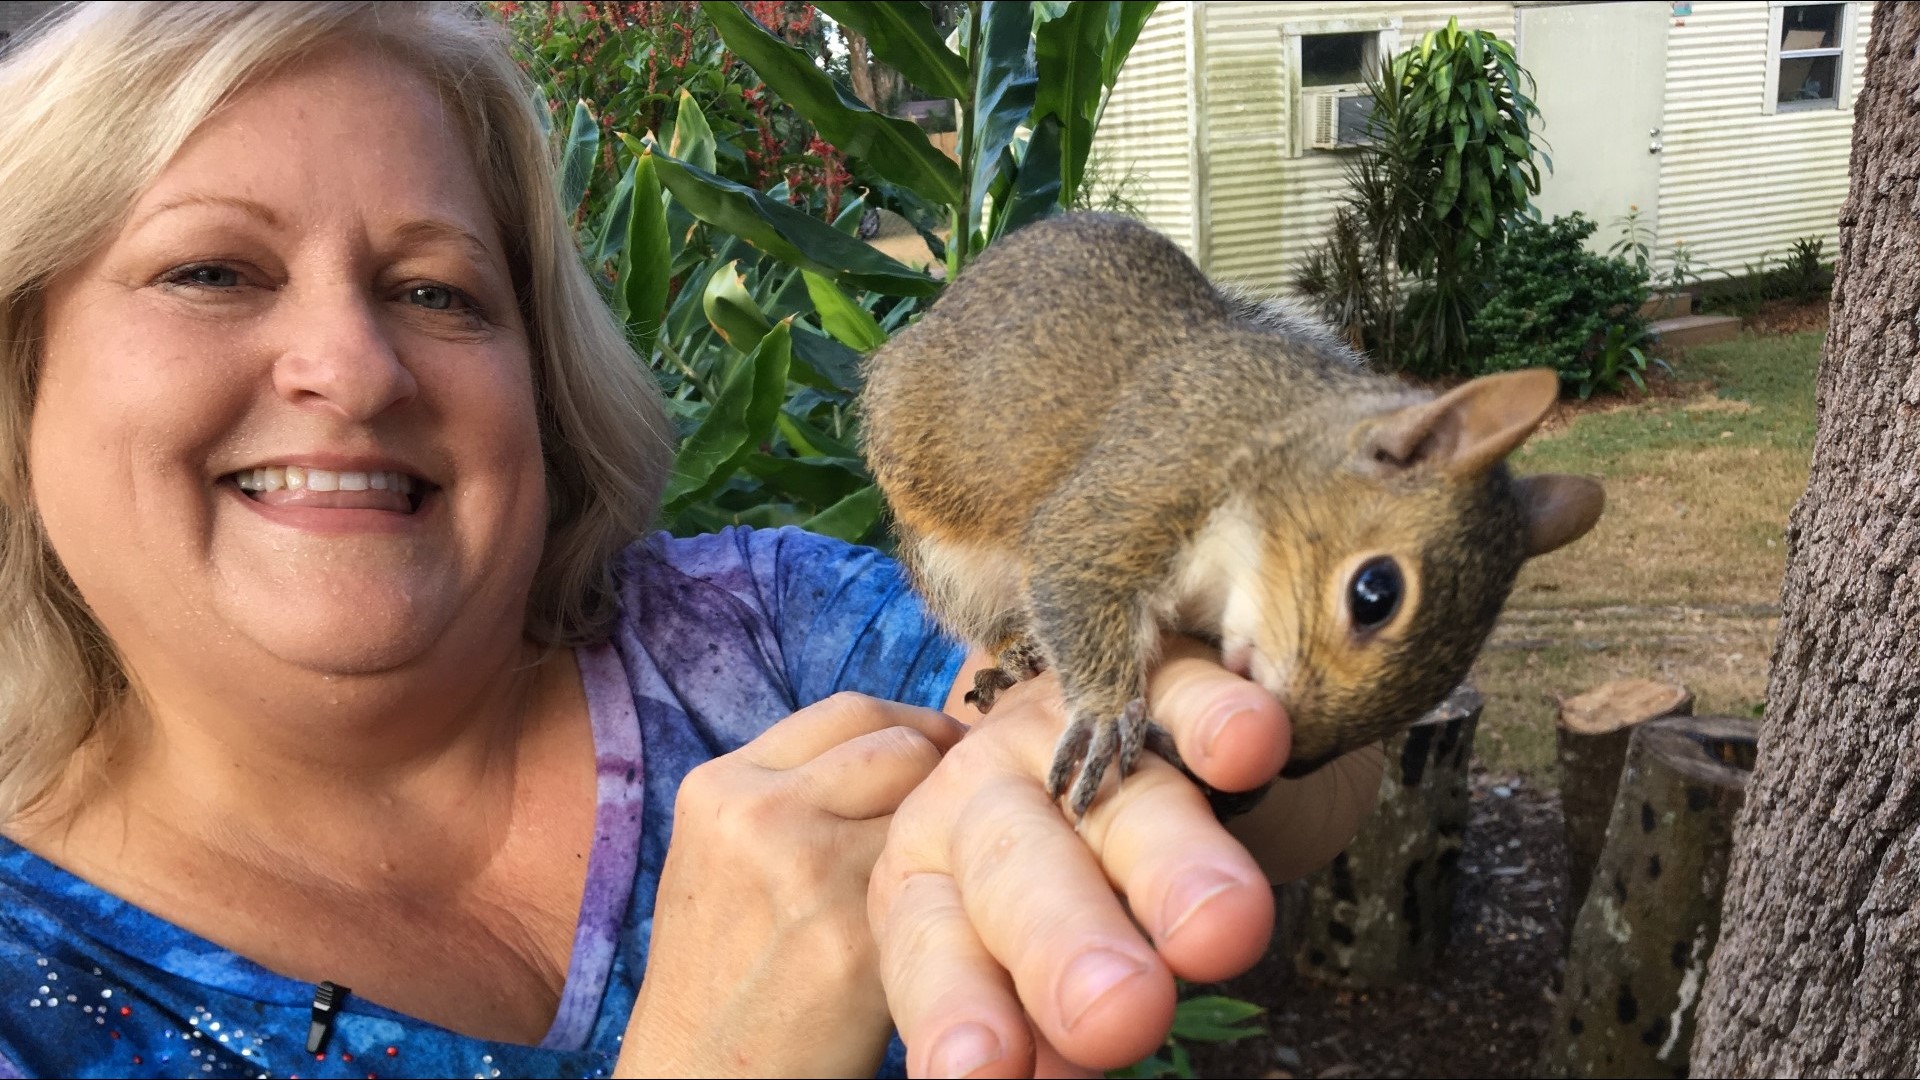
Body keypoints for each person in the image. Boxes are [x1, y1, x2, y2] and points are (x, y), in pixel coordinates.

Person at [0, 3, 1384, 1078]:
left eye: (436, 290)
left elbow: (1307, 791)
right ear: (24, 363)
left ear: (537, 376)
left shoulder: (761, 632)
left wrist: (1216, 744)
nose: (354, 370)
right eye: (212, 272)